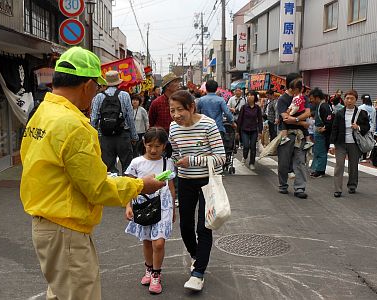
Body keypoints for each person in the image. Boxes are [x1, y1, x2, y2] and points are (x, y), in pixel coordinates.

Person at [20, 46, 165, 300]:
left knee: (59, 293)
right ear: (87, 85)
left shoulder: (41, 113)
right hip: (66, 228)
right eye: (96, 86)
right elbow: (97, 188)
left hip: (46, 222)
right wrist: (140, 186)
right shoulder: (73, 125)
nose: (96, 92)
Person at [168, 90, 225, 291]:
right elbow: (175, 152)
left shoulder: (208, 125)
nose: (175, 115)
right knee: (185, 227)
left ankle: (198, 273)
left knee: (204, 227)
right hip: (185, 181)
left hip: (208, 183)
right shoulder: (173, 128)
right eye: (172, 110)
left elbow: (221, 157)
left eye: (179, 110)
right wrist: (174, 163)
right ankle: (196, 256)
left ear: (191, 107)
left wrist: (192, 160)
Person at [124, 127, 176, 294]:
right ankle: (148, 268)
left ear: (164, 146)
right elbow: (128, 187)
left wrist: (174, 208)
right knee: (146, 241)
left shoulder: (168, 163)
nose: (153, 150)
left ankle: (156, 274)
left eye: (158, 146)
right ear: (144, 144)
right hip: (143, 205)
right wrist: (128, 205)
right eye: (150, 145)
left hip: (163, 205)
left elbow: (171, 187)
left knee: (158, 242)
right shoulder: (136, 163)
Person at [91, 70, 138, 175]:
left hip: (105, 137)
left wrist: (95, 137)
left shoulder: (98, 97)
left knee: (108, 169)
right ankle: (128, 189)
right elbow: (130, 118)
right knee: (128, 167)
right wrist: (134, 136)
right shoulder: (125, 95)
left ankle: (113, 189)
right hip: (123, 135)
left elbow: (93, 119)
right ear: (118, 82)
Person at [330, 90, 370, 197]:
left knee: (353, 165)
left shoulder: (361, 113)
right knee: (339, 166)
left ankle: (352, 185)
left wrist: (359, 127)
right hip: (340, 143)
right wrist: (332, 144)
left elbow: (367, 127)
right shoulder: (339, 113)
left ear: (356, 100)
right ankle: (337, 189)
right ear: (344, 99)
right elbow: (334, 129)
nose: (349, 101)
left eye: (352, 98)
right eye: (347, 98)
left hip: (354, 143)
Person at [277, 73, 311, 199]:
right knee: (284, 162)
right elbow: (285, 118)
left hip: (300, 135)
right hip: (286, 134)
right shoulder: (282, 99)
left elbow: (307, 113)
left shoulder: (303, 98)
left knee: (300, 161)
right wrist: (302, 122)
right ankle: (283, 185)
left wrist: (296, 119)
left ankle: (300, 188)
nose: (301, 86)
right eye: (299, 83)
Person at [279, 78, 314, 150]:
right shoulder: (297, 97)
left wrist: (290, 114)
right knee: (304, 127)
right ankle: (308, 140)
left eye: (293, 89)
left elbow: (295, 108)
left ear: (297, 89)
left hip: (298, 112)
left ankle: (284, 137)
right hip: (300, 114)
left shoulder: (298, 97)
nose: (291, 90)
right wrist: (301, 122)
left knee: (284, 121)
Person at [309, 88, 334, 178]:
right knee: (317, 151)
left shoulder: (324, 106)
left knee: (321, 152)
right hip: (318, 133)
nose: (311, 101)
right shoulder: (320, 105)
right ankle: (317, 169)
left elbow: (330, 120)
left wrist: (324, 128)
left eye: (312, 98)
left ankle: (320, 171)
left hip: (322, 134)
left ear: (317, 98)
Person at [237, 90, 263, 170]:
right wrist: (237, 131)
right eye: (248, 95)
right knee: (246, 146)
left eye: (251, 95)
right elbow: (240, 119)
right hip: (244, 129)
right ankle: (244, 157)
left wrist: (260, 131)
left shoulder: (257, 108)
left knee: (253, 147)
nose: (249, 96)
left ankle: (252, 162)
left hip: (254, 130)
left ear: (255, 97)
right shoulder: (244, 107)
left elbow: (260, 120)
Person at [358, 94, 376, 161]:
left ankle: (360, 156)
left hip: (362, 127)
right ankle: (364, 157)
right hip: (370, 128)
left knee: (360, 142)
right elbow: (374, 120)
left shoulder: (361, 107)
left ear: (362, 99)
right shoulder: (373, 108)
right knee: (366, 143)